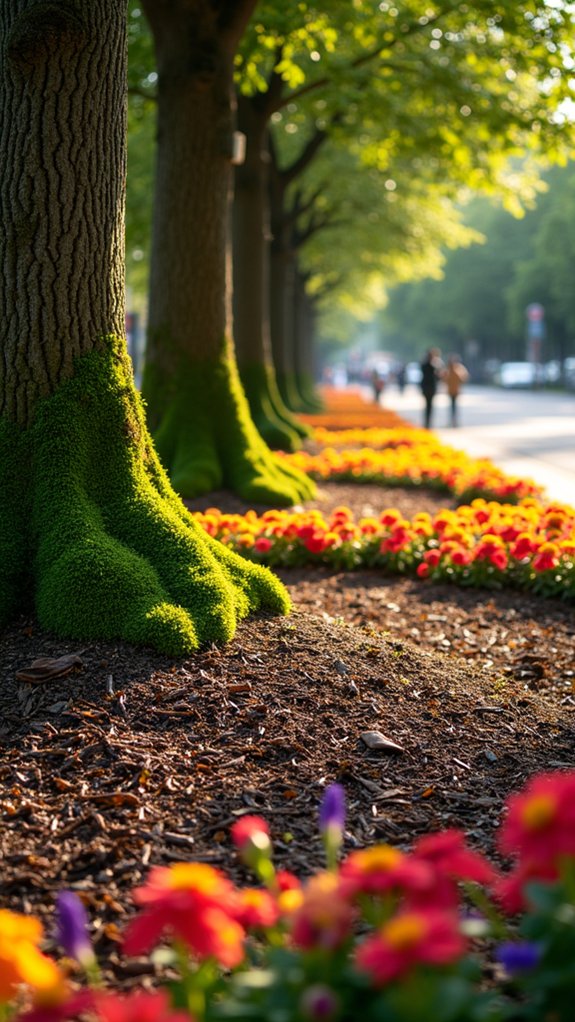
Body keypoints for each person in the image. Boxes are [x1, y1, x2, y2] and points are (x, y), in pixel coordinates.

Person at [444, 353, 469, 427]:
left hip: (456, 390)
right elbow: (444, 378)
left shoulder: (459, 368)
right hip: (450, 390)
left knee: (454, 407)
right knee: (451, 407)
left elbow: (463, 378)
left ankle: (455, 422)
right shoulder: (448, 369)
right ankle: (452, 421)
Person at [420, 348, 442, 429]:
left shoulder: (424, 364)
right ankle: (428, 422)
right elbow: (438, 376)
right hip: (430, 387)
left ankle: (427, 422)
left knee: (427, 405)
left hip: (426, 387)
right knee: (429, 406)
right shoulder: (433, 365)